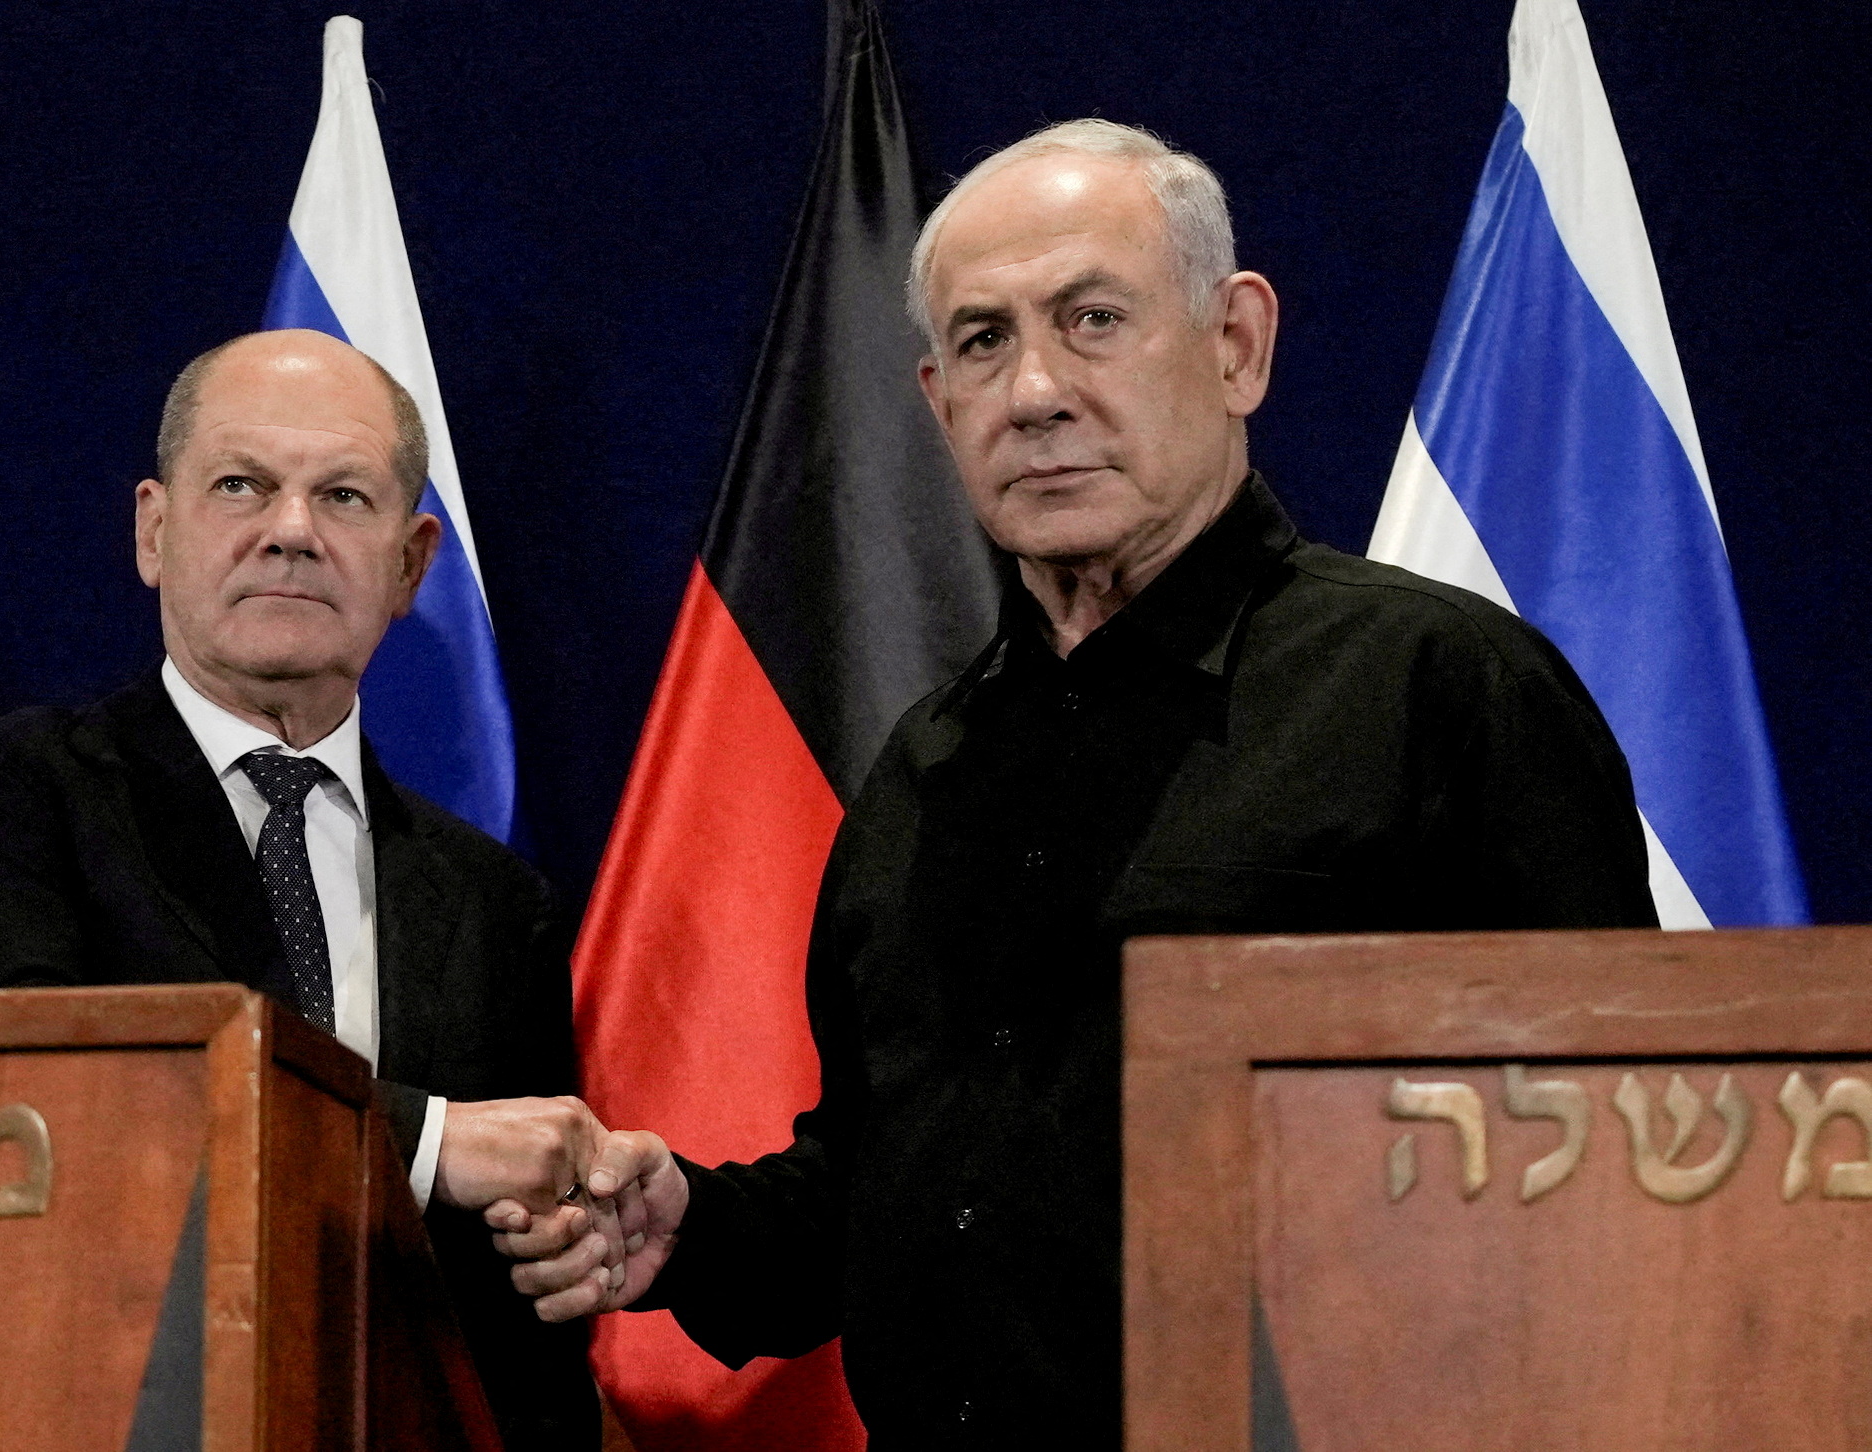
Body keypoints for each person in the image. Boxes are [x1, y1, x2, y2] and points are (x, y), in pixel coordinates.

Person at [491, 120, 1660, 1443]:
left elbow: (1610, 1168)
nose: (1034, 390)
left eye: (1092, 319)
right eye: (983, 342)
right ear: (938, 402)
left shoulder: (1442, 690)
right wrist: (691, 1227)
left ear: (1236, 345)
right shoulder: (919, 776)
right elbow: (884, 1195)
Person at [0, 329, 608, 1449]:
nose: (291, 531)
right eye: (241, 485)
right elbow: (31, 1102)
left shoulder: (494, 900)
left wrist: (567, 1238)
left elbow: (526, 1317)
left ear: (412, 564)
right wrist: (423, 1144)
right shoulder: (7, 797)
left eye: (344, 497)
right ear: (154, 530)